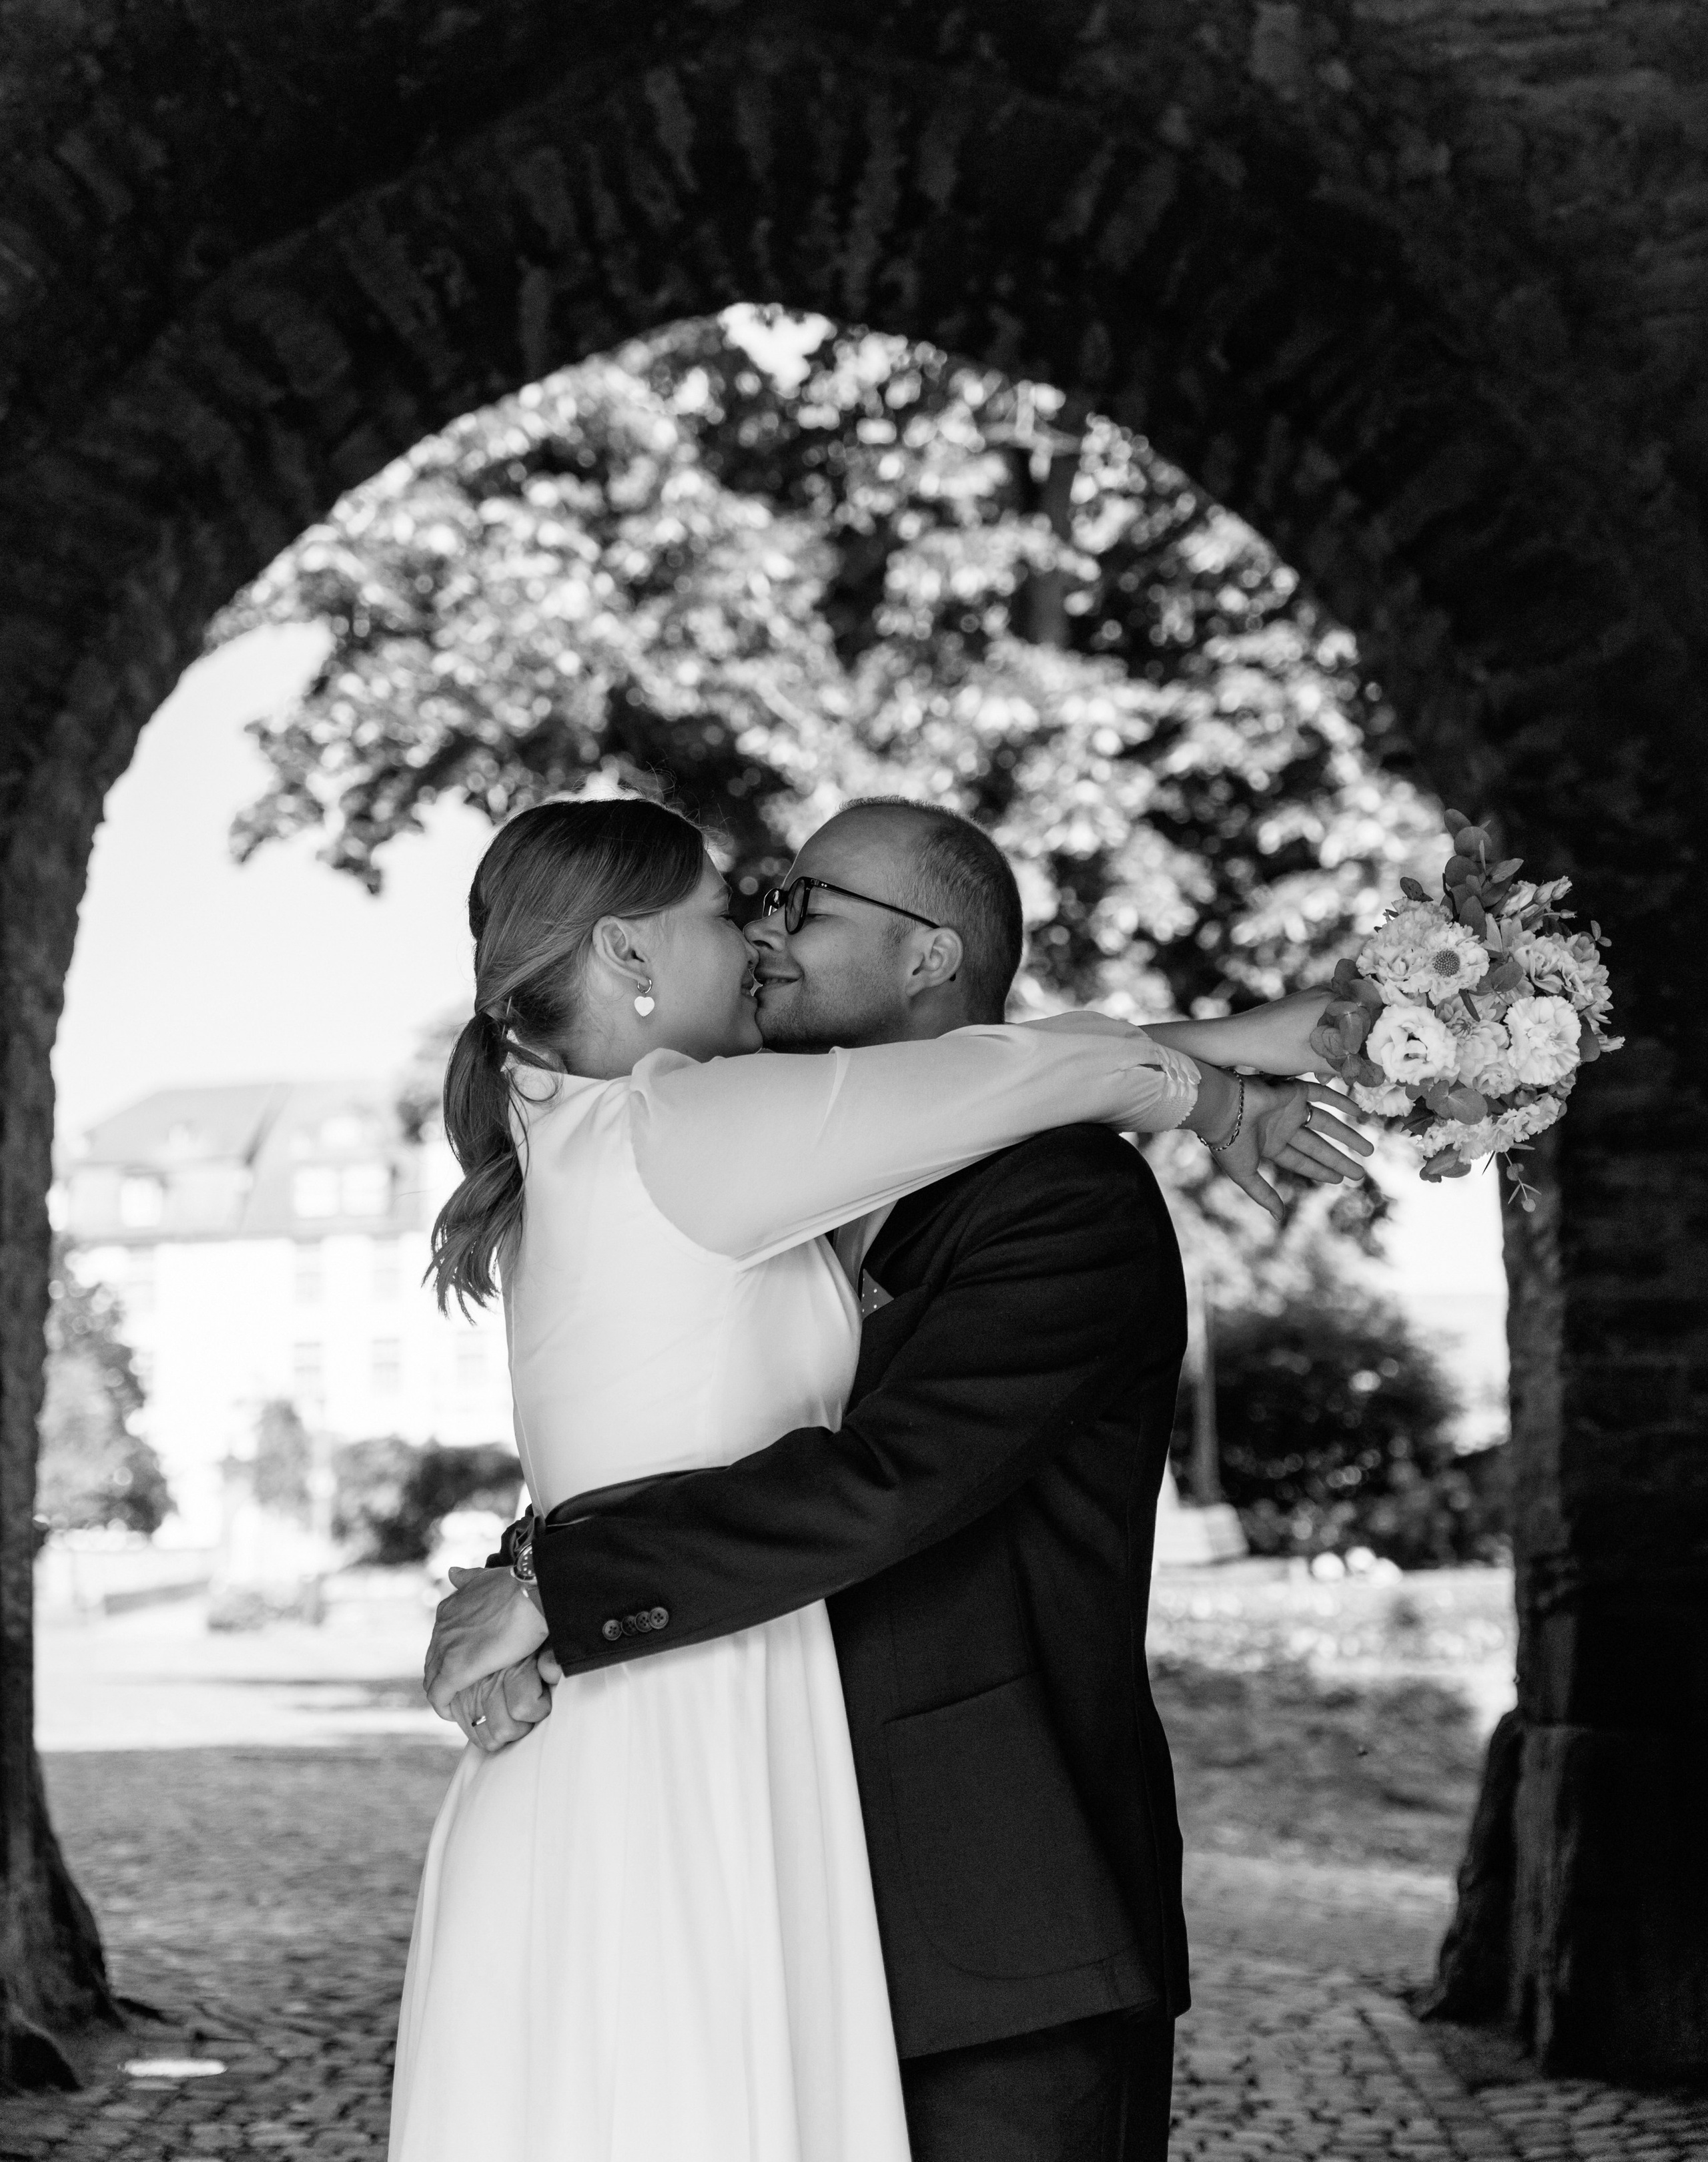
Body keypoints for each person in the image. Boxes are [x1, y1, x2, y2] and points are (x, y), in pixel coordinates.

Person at [399, 796, 1367, 2162]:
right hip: (753, 1847)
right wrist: (546, 1569)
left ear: (926, 959)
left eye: (800, 904)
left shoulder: (1060, 1199)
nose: (764, 935)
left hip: (991, 1904)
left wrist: (561, 1579)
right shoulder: (709, 1141)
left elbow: (891, 1481)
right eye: (747, 906)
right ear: (623, 951)